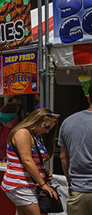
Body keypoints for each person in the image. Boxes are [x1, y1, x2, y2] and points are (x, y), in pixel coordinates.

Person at [1, 108, 61, 215]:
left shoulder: (35, 136)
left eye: (50, 129)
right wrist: (43, 184)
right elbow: (27, 160)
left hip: (27, 185)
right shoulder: (23, 133)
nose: (47, 131)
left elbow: (32, 161)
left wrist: (43, 172)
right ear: (36, 120)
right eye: (46, 126)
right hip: (20, 184)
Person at [59, 83, 92, 215]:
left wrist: (70, 182)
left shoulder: (68, 122)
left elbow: (63, 158)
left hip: (78, 190)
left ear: (88, 97)